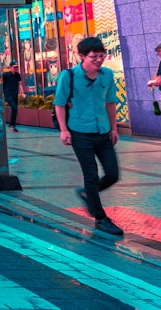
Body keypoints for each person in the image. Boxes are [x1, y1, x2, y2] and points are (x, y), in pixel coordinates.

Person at [55, 37, 124, 236]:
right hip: (80, 132)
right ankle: (100, 217)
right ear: (82, 56)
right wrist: (64, 130)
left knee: (113, 174)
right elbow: (59, 103)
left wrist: (114, 128)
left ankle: (88, 193)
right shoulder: (69, 76)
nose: (99, 60)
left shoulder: (107, 75)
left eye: (102, 56)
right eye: (94, 57)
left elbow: (110, 103)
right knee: (91, 174)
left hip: (102, 131)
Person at [1, 63, 24, 132]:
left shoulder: (17, 75)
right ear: (10, 67)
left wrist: (22, 93)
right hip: (8, 94)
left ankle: (12, 126)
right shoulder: (5, 75)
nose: (16, 69)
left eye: (17, 67)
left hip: (15, 94)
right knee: (14, 107)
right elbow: (1, 83)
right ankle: (11, 125)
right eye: (14, 67)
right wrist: (1, 93)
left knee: (15, 109)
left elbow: (20, 84)